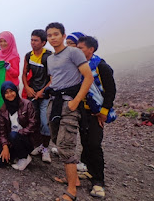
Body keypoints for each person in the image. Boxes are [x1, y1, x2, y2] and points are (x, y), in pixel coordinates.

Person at [45, 22, 94, 201]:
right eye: (49, 35)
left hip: (69, 104)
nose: (53, 37)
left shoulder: (74, 52)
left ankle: (72, 190)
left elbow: (88, 77)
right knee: (57, 141)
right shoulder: (50, 58)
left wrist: (75, 102)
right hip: (55, 103)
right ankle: (72, 178)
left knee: (66, 145)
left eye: (56, 34)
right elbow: (54, 79)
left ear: (64, 36)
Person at [77, 36, 116, 199]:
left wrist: (104, 111)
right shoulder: (79, 66)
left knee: (94, 144)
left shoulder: (101, 67)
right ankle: (88, 171)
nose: (78, 51)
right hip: (82, 111)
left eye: (81, 48)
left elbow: (111, 91)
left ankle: (98, 181)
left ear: (91, 49)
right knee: (85, 141)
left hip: (96, 112)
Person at [0, 81, 37, 170]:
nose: (9, 94)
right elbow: (2, 131)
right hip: (10, 141)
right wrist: (5, 146)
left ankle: (24, 157)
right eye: (6, 93)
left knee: (13, 135)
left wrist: (19, 133)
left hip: (26, 140)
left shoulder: (27, 104)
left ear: (16, 91)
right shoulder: (3, 110)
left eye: (11, 91)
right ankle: (15, 155)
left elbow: (33, 124)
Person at [22, 29, 52, 163]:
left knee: (45, 122)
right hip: (32, 94)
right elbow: (24, 73)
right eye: (31, 40)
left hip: (45, 95)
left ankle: (46, 148)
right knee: (33, 120)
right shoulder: (28, 55)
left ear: (43, 42)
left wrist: (43, 91)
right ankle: (38, 145)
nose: (32, 43)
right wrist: (27, 87)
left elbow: (53, 78)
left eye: (36, 40)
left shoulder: (49, 57)